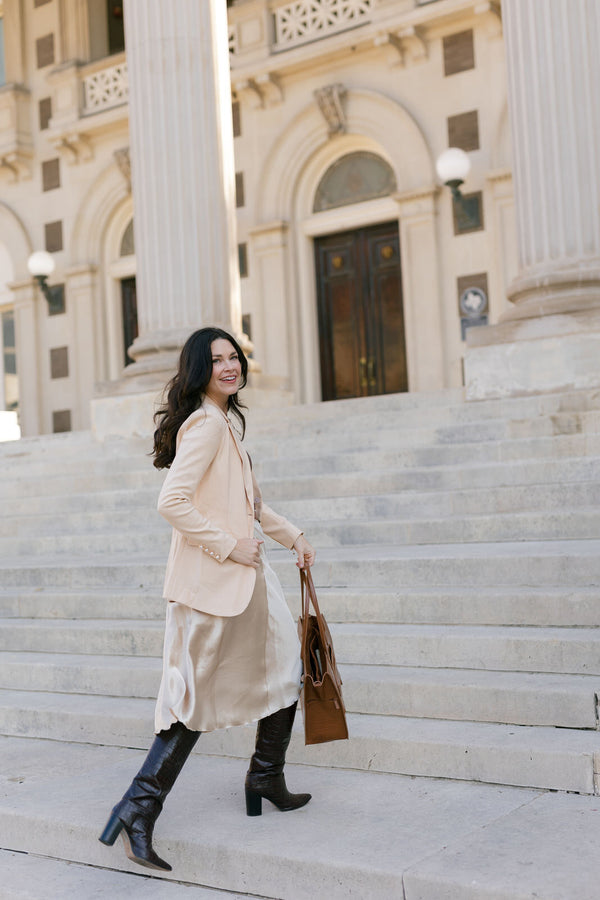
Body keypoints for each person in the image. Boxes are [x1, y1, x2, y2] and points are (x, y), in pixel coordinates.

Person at [99, 327, 315, 872]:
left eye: (234, 355)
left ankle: (265, 776)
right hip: (215, 586)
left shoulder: (226, 424)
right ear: (200, 369)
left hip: (248, 583)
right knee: (190, 703)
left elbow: (250, 504)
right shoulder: (205, 424)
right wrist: (229, 547)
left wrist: (293, 536)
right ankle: (138, 809)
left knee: (288, 670)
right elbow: (171, 501)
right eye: (216, 359)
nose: (229, 365)